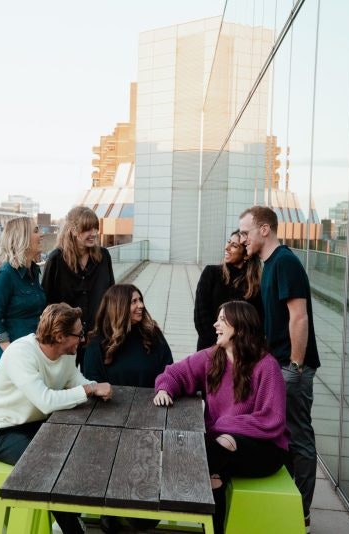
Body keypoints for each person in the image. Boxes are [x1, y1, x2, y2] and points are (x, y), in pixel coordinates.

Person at [0, 303, 113, 534]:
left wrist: (96, 387)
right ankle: (71, 528)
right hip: (3, 431)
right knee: (49, 467)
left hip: (36, 424)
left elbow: (75, 380)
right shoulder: (21, 353)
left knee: (80, 449)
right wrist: (88, 391)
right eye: (78, 334)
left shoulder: (65, 354)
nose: (82, 339)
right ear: (59, 336)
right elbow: (45, 400)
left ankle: (69, 514)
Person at [153, 301, 289, 534]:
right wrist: (165, 388)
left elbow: (272, 419)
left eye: (223, 320)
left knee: (224, 442)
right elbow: (176, 372)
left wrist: (224, 425)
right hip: (221, 446)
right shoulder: (214, 356)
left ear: (241, 327)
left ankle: (169, 477)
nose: (216, 324)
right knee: (215, 474)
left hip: (266, 449)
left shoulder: (267, 366)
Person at [238, 205, 320, 531]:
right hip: (281, 364)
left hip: (293, 367)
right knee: (283, 435)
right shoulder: (268, 264)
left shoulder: (285, 262)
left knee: (299, 439)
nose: (242, 238)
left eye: (246, 232)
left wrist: (295, 367)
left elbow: (299, 317)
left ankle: (301, 514)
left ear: (264, 230)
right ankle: (287, 509)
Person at [83, 284, 172, 533]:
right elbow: (91, 384)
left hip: (149, 417)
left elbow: (169, 371)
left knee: (143, 518)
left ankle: (140, 507)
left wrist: (165, 389)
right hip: (110, 419)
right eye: (133, 302)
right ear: (118, 307)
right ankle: (109, 508)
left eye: (140, 300)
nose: (140, 306)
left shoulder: (152, 335)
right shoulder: (97, 343)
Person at [42, 206, 115, 368]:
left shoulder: (103, 256)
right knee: (66, 384)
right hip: (65, 338)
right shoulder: (56, 260)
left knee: (94, 382)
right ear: (74, 231)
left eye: (96, 228)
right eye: (88, 229)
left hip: (97, 335)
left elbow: (112, 294)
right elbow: (46, 301)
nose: (94, 233)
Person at [0, 216, 46, 367]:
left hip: (35, 355)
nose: (42, 235)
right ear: (23, 238)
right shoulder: (6, 275)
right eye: (36, 231)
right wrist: (13, 355)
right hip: (15, 361)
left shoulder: (33, 271)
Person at [194, 230, 263, 350]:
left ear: (246, 254)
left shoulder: (254, 284)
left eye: (234, 246)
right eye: (228, 242)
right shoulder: (211, 273)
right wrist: (218, 346)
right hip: (210, 348)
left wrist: (236, 349)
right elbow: (201, 315)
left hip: (240, 351)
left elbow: (257, 322)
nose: (227, 247)